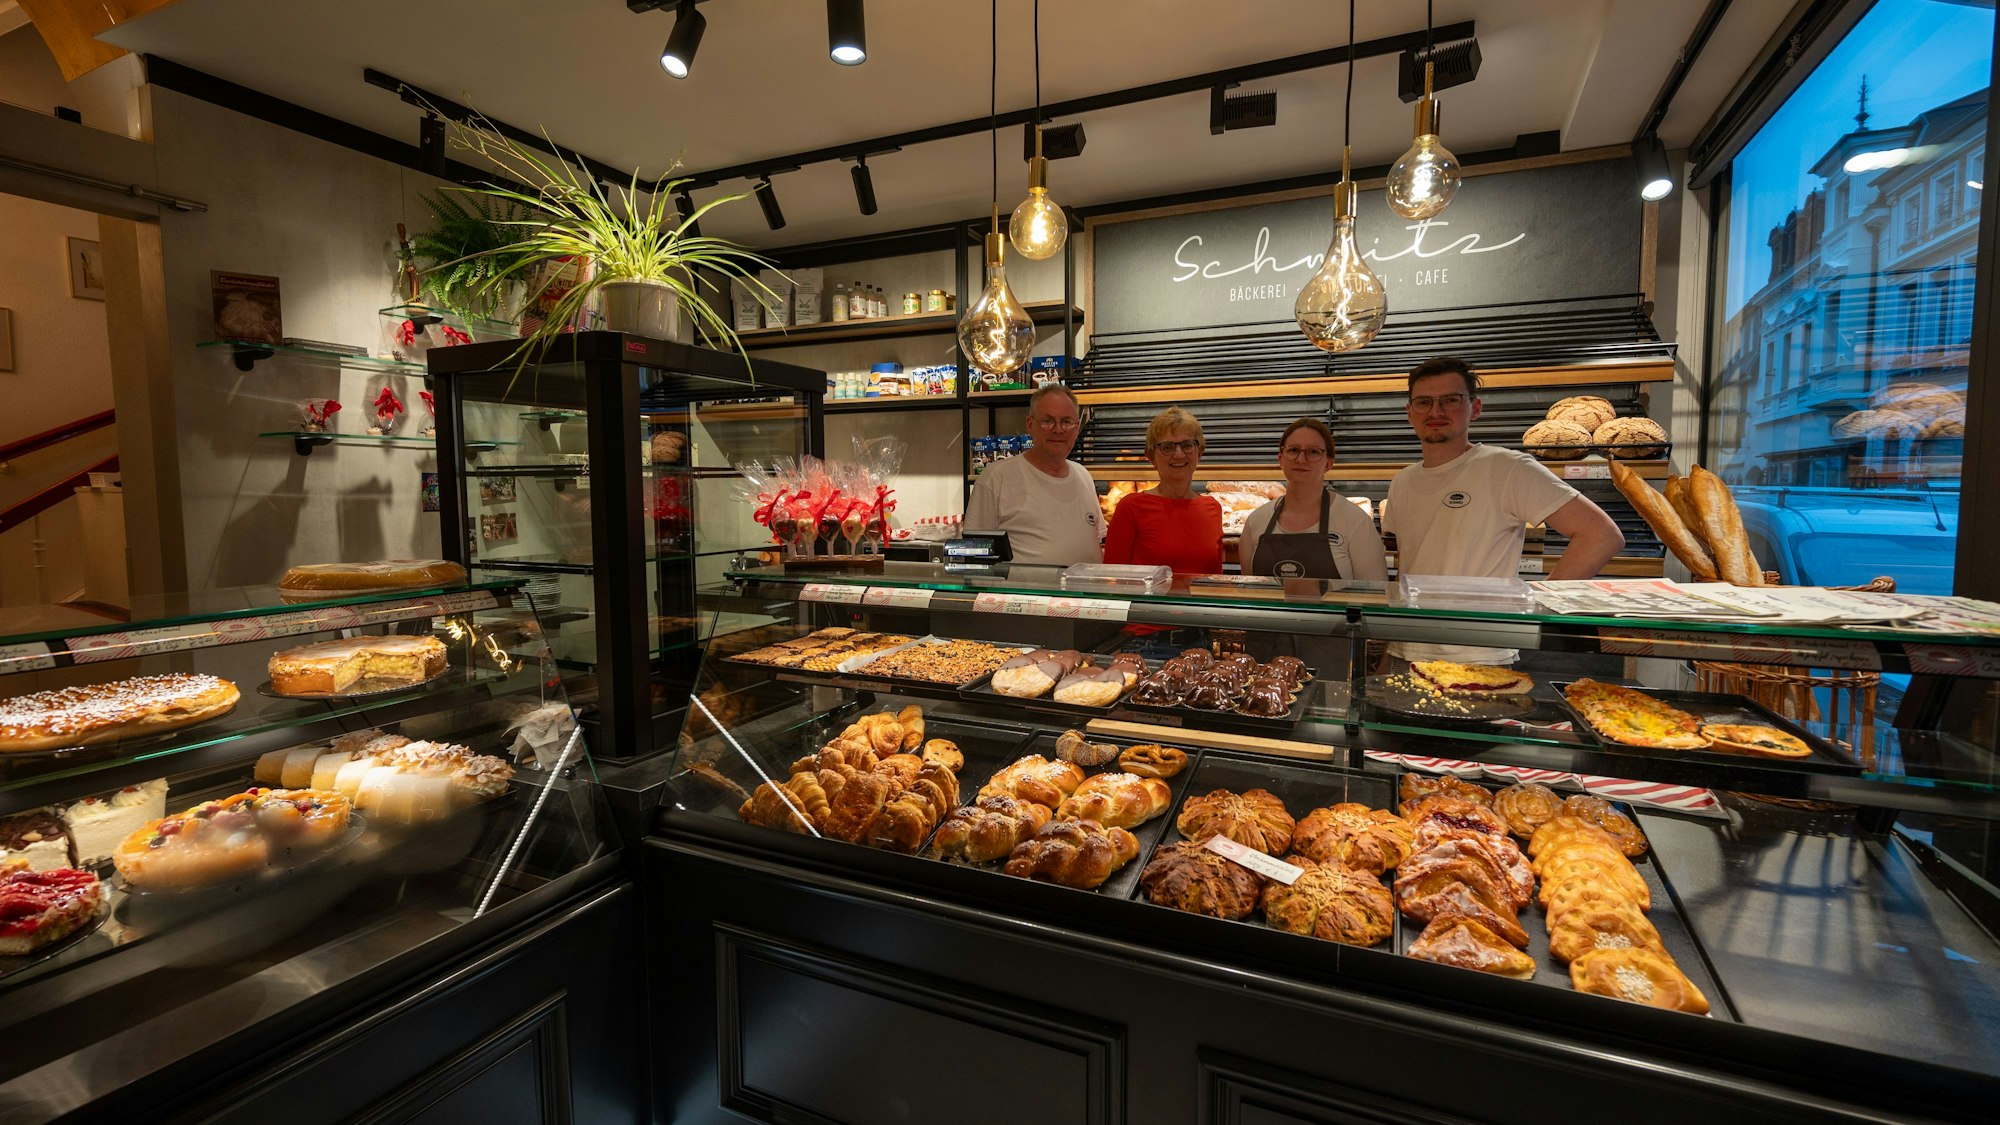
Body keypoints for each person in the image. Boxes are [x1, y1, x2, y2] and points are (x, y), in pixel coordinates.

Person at [1384, 356, 1624, 665]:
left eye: (1450, 400)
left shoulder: (1506, 467)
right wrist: (1389, 651)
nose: (1436, 411)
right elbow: (1408, 573)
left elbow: (1602, 535)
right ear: (1409, 413)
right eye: (1424, 402)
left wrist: (1537, 604)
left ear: (1476, 408)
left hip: (1479, 657)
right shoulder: (1402, 482)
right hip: (1407, 653)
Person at [963, 382, 1102, 566]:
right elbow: (973, 555)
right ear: (1030, 425)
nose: (1058, 429)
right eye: (1047, 421)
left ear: (1077, 428)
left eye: (1066, 422)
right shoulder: (996, 478)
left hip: (1086, 593)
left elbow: (1096, 541)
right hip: (1024, 595)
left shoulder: (1083, 475)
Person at [1238, 418, 1387, 581]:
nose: (1301, 459)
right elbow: (1250, 592)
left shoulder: (1356, 523)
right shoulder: (1256, 521)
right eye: (1293, 450)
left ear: (1328, 464)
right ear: (1281, 459)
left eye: (1313, 452)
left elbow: (1375, 595)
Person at [1103, 407, 1224, 574]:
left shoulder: (1212, 508)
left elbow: (1215, 580)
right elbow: (1113, 577)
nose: (1179, 454)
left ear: (1199, 452)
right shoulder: (1131, 508)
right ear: (1151, 457)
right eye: (1167, 447)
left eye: (1187, 445)